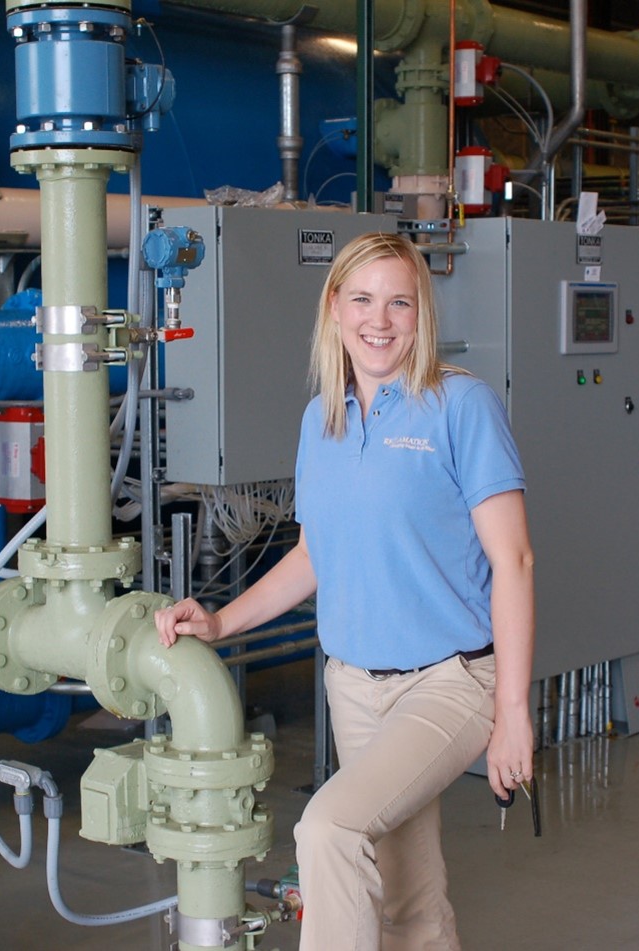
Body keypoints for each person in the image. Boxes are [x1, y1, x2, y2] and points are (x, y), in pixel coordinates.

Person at [155, 231, 535, 951]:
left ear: (421, 313)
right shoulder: (321, 420)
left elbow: (513, 561)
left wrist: (511, 712)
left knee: (328, 828)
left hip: (449, 683)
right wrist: (221, 619)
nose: (379, 320)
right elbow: (315, 555)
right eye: (362, 299)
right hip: (355, 689)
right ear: (334, 308)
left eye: (399, 301)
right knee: (410, 898)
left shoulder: (462, 406)